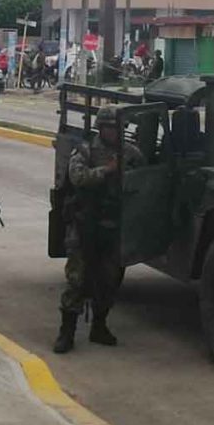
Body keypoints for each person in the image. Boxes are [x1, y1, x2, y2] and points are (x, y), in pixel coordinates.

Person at [54, 105, 145, 354]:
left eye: (118, 128)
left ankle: (99, 325)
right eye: (109, 128)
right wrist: (107, 170)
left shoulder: (130, 153)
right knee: (77, 279)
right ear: (100, 128)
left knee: (110, 279)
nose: (114, 132)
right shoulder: (85, 151)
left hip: (114, 224)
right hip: (86, 224)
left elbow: (144, 178)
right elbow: (78, 178)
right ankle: (67, 332)